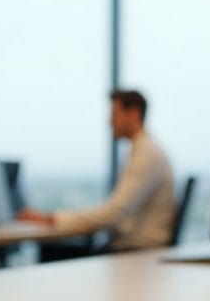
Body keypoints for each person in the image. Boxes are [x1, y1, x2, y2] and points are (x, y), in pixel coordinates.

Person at [18, 89, 174, 254]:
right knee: (57, 251)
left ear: (133, 114)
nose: (109, 122)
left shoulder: (147, 154)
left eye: (114, 114)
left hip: (136, 250)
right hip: (131, 247)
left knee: (53, 254)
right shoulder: (143, 151)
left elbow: (114, 213)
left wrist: (50, 219)